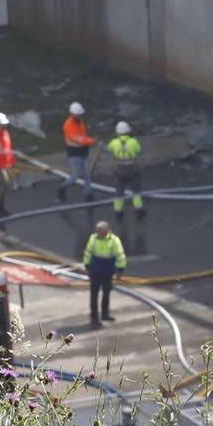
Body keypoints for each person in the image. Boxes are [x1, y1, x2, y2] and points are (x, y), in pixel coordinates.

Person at [108, 121, 146, 253]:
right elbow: (139, 152)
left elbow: (110, 151)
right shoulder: (133, 142)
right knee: (136, 191)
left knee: (119, 193)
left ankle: (118, 212)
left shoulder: (114, 142)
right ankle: (139, 210)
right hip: (132, 168)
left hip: (119, 169)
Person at [81, 220, 127, 326]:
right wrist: (87, 266)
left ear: (106, 231)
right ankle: (94, 318)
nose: (98, 233)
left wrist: (120, 270)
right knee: (94, 295)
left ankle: (105, 314)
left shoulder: (114, 241)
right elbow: (88, 252)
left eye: (100, 231)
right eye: (97, 231)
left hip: (107, 271)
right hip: (95, 270)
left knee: (106, 293)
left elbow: (120, 255)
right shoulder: (93, 238)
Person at [59, 101, 97, 202]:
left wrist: (89, 139)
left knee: (87, 174)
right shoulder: (68, 125)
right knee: (75, 175)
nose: (80, 115)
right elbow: (76, 138)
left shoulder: (80, 122)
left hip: (83, 150)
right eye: (78, 114)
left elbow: (83, 135)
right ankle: (62, 189)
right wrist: (91, 141)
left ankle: (88, 196)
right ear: (72, 114)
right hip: (74, 153)